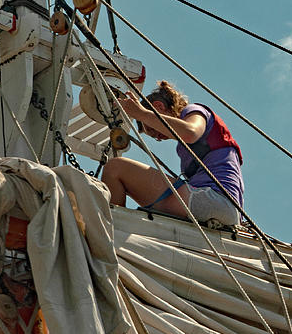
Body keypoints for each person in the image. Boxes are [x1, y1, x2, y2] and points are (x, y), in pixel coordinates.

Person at [101, 80, 243, 226]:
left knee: (115, 169)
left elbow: (190, 132)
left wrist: (142, 114)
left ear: (158, 106)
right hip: (217, 206)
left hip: (215, 200)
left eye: (152, 130)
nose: (157, 137)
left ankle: (112, 231)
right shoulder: (183, 149)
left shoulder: (194, 111)